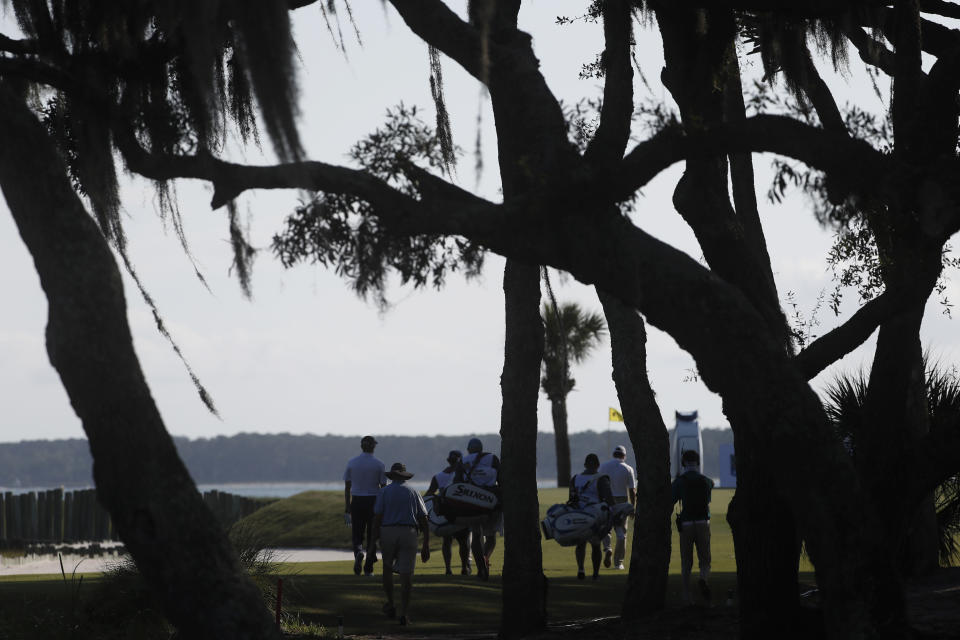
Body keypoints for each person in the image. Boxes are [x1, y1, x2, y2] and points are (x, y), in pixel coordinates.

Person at [373, 462, 430, 626]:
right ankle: (404, 613)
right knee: (407, 574)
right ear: (404, 475)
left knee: (387, 568)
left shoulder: (384, 492)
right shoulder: (414, 491)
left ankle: (391, 603)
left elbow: (377, 517)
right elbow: (424, 519)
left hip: (388, 532)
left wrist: (372, 542)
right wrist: (426, 544)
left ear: (392, 476)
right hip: (409, 532)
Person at [672, 449, 714, 604]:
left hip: (686, 523)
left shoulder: (680, 481)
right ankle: (703, 578)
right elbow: (707, 500)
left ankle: (686, 594)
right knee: (705, 559)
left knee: (686, 560)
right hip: (703, 521)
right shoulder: (706, 481)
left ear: (683, 463)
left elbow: (671, 500)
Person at [343, 435, 387, 576]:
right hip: (373, 501)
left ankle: (358, 553)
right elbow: (383, 487)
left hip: (357, 501)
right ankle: (369, 569)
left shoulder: (352, 462)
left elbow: (347, 487)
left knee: (357, 534)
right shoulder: (379, 464)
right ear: (373, 446)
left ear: (361, 446)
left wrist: (347, 507)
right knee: (373, 535)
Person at [424, 450, 472, 575]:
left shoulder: (438, 476)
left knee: (447, 541)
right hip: (460, 510)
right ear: (460, 460)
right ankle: (464, 568)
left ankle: (448, 569)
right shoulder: (463, 474)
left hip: (445, 512)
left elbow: (429, 493)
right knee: (463, 541)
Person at [460, 437, 501, 580]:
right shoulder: (492, 458)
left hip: (472, 503)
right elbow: (501, 479)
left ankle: (481, 567)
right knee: (491, 536)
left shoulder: (463, 461)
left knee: (476, 535)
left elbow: (457, 483)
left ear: (469, 449)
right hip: (491, 501)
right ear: (481, 449)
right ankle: (485, 558)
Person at [570, 452, 615, 580]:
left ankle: (581, 569)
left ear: (585, 465)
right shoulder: (601, 479)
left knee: (580, 544)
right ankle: (595, 573)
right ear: (598, 465)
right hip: (595, 515)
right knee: (596, 545)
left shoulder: (575, 478)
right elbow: (610, 499)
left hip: (578, 513)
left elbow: (571, 499)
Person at [598, 445, 637, 570]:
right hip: (621, 501)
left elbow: (598, 485)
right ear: (624, 456)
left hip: (605, 500)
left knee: (605, 527)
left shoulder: (603, 466)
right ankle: (618, 562)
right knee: (621, 533)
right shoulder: (628, 468)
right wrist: (632, 507)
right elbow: (632, 490)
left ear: (614, 454)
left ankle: (607, 548)